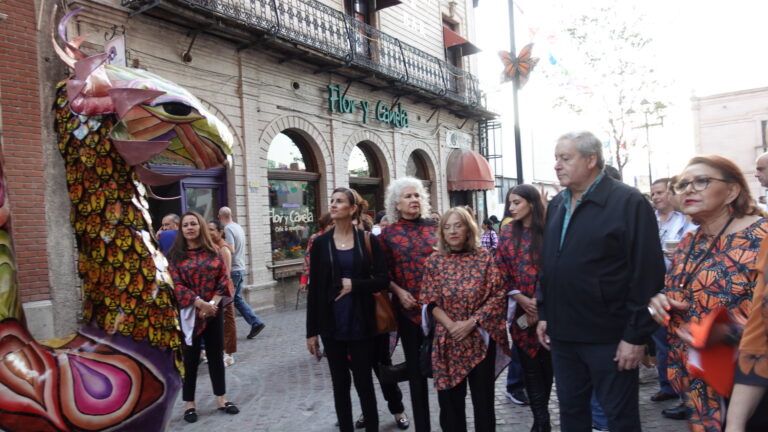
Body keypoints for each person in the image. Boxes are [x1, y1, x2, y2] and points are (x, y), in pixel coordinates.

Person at [537, 131, 665, 432]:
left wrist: (635, 336)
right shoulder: (556, 205)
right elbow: (550, 264)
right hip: (563, 335)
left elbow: (647, 274)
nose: (557, 165)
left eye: (565, 158)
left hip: (610, 336)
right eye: (556, 158)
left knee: (619, 418)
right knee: (571, 413)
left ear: (591, 159)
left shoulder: (628, 202)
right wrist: (544, 313)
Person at [648, 155, 768, 432]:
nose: (688, 189)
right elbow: (679, 294)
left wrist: (725, 332)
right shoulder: (691, 241)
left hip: (751, 384)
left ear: (732, 191)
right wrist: (660, 304)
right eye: (682, 184)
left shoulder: (761, 237)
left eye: (701, 181)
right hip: (700, 385)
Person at [305, 187, 389, 432]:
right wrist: (311, 332)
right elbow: (315, 291)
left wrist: (355, 285)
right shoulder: (320, 243)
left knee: (364, 383)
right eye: (331, 200)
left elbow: (383, 280)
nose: (332, 204)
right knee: (340, 384)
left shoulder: (367, 240)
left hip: (362, 322)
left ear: (352, 209)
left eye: (339, 201)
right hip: (333, 324)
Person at [421, 207, 509, 432]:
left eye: (458, 225)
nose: (452, 231)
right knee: (450, 406)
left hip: (479, 338)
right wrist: (452, 327)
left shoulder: (484, 259)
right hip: (447, 341)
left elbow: (498, 295)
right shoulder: (434, 261)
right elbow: (429, 300)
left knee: (483, 404)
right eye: (447, 226)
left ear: (468, 228)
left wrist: (471, 323)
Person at [378, 177, 437, 432]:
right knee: (416, 373)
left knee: (443, 372)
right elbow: (383, 274)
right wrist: (399, 291)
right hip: (408, 311)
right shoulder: (388, 234)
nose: (414, 200)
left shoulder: (436, 227)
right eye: (408, 196)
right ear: (397, 203)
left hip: (439, 312)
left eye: (417, 195)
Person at [168, 211, 238, 423]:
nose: (190, 228)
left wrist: (212, 304)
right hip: (190, 313)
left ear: (200, 227)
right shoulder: (175, 255)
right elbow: (176, 284)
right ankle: (189, 404)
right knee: (190, 359)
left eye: (194, 224)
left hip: (212, 312)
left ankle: (221, 398)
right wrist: (199, 303)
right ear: (181, 230)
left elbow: (223, 279)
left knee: (216, 355)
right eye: (186, 225)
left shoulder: (214, 251)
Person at [495, 184, 552, 431]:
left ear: (531, 203)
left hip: (549, 312)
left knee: (547, 365)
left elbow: (556, 270)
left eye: (517, 202)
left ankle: (542, 419)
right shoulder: (507, 232)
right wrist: (520, 298)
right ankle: (541, 420)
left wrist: (540, 304)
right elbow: (500, 269)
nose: (511, 207)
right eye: (510, 203)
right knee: (528, 365)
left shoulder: (549, 231)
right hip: (520, 312)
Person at [649, 178, 696, 417]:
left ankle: (686, 397)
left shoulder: (685, 220)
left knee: (679, 344)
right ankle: (667, 386)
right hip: (658, 287)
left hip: (681, 287)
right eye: (653, 193)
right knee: (661, 341)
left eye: (660, 192)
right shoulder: (650, 221)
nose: (655, 197)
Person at [218, 206, 266, 339]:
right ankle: (255, 322)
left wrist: (218, 246)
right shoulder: (237, 226)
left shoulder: (227, 229)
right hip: (240, 267)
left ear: (220, 217)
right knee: (236, 298)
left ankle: (255, 322)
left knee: (231, 299)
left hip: (234, 269)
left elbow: (231, 249)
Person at [209, 219, 237, 367]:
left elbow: (225, 273)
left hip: (224, 290)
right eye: (207, 229)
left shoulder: (224, 249)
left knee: (228, 320)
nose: (208, 232)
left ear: (220, 232)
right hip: (215, 290)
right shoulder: (212, 247)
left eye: (211, 230)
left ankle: (229, 353)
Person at [299, 212, 333, 292]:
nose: (333, 227)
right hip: (318, 278)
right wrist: (303, 280)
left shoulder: (338, 237)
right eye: (330, 224)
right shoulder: (315, 238)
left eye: (335, 224)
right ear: (324, 224)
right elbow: (308, 259)